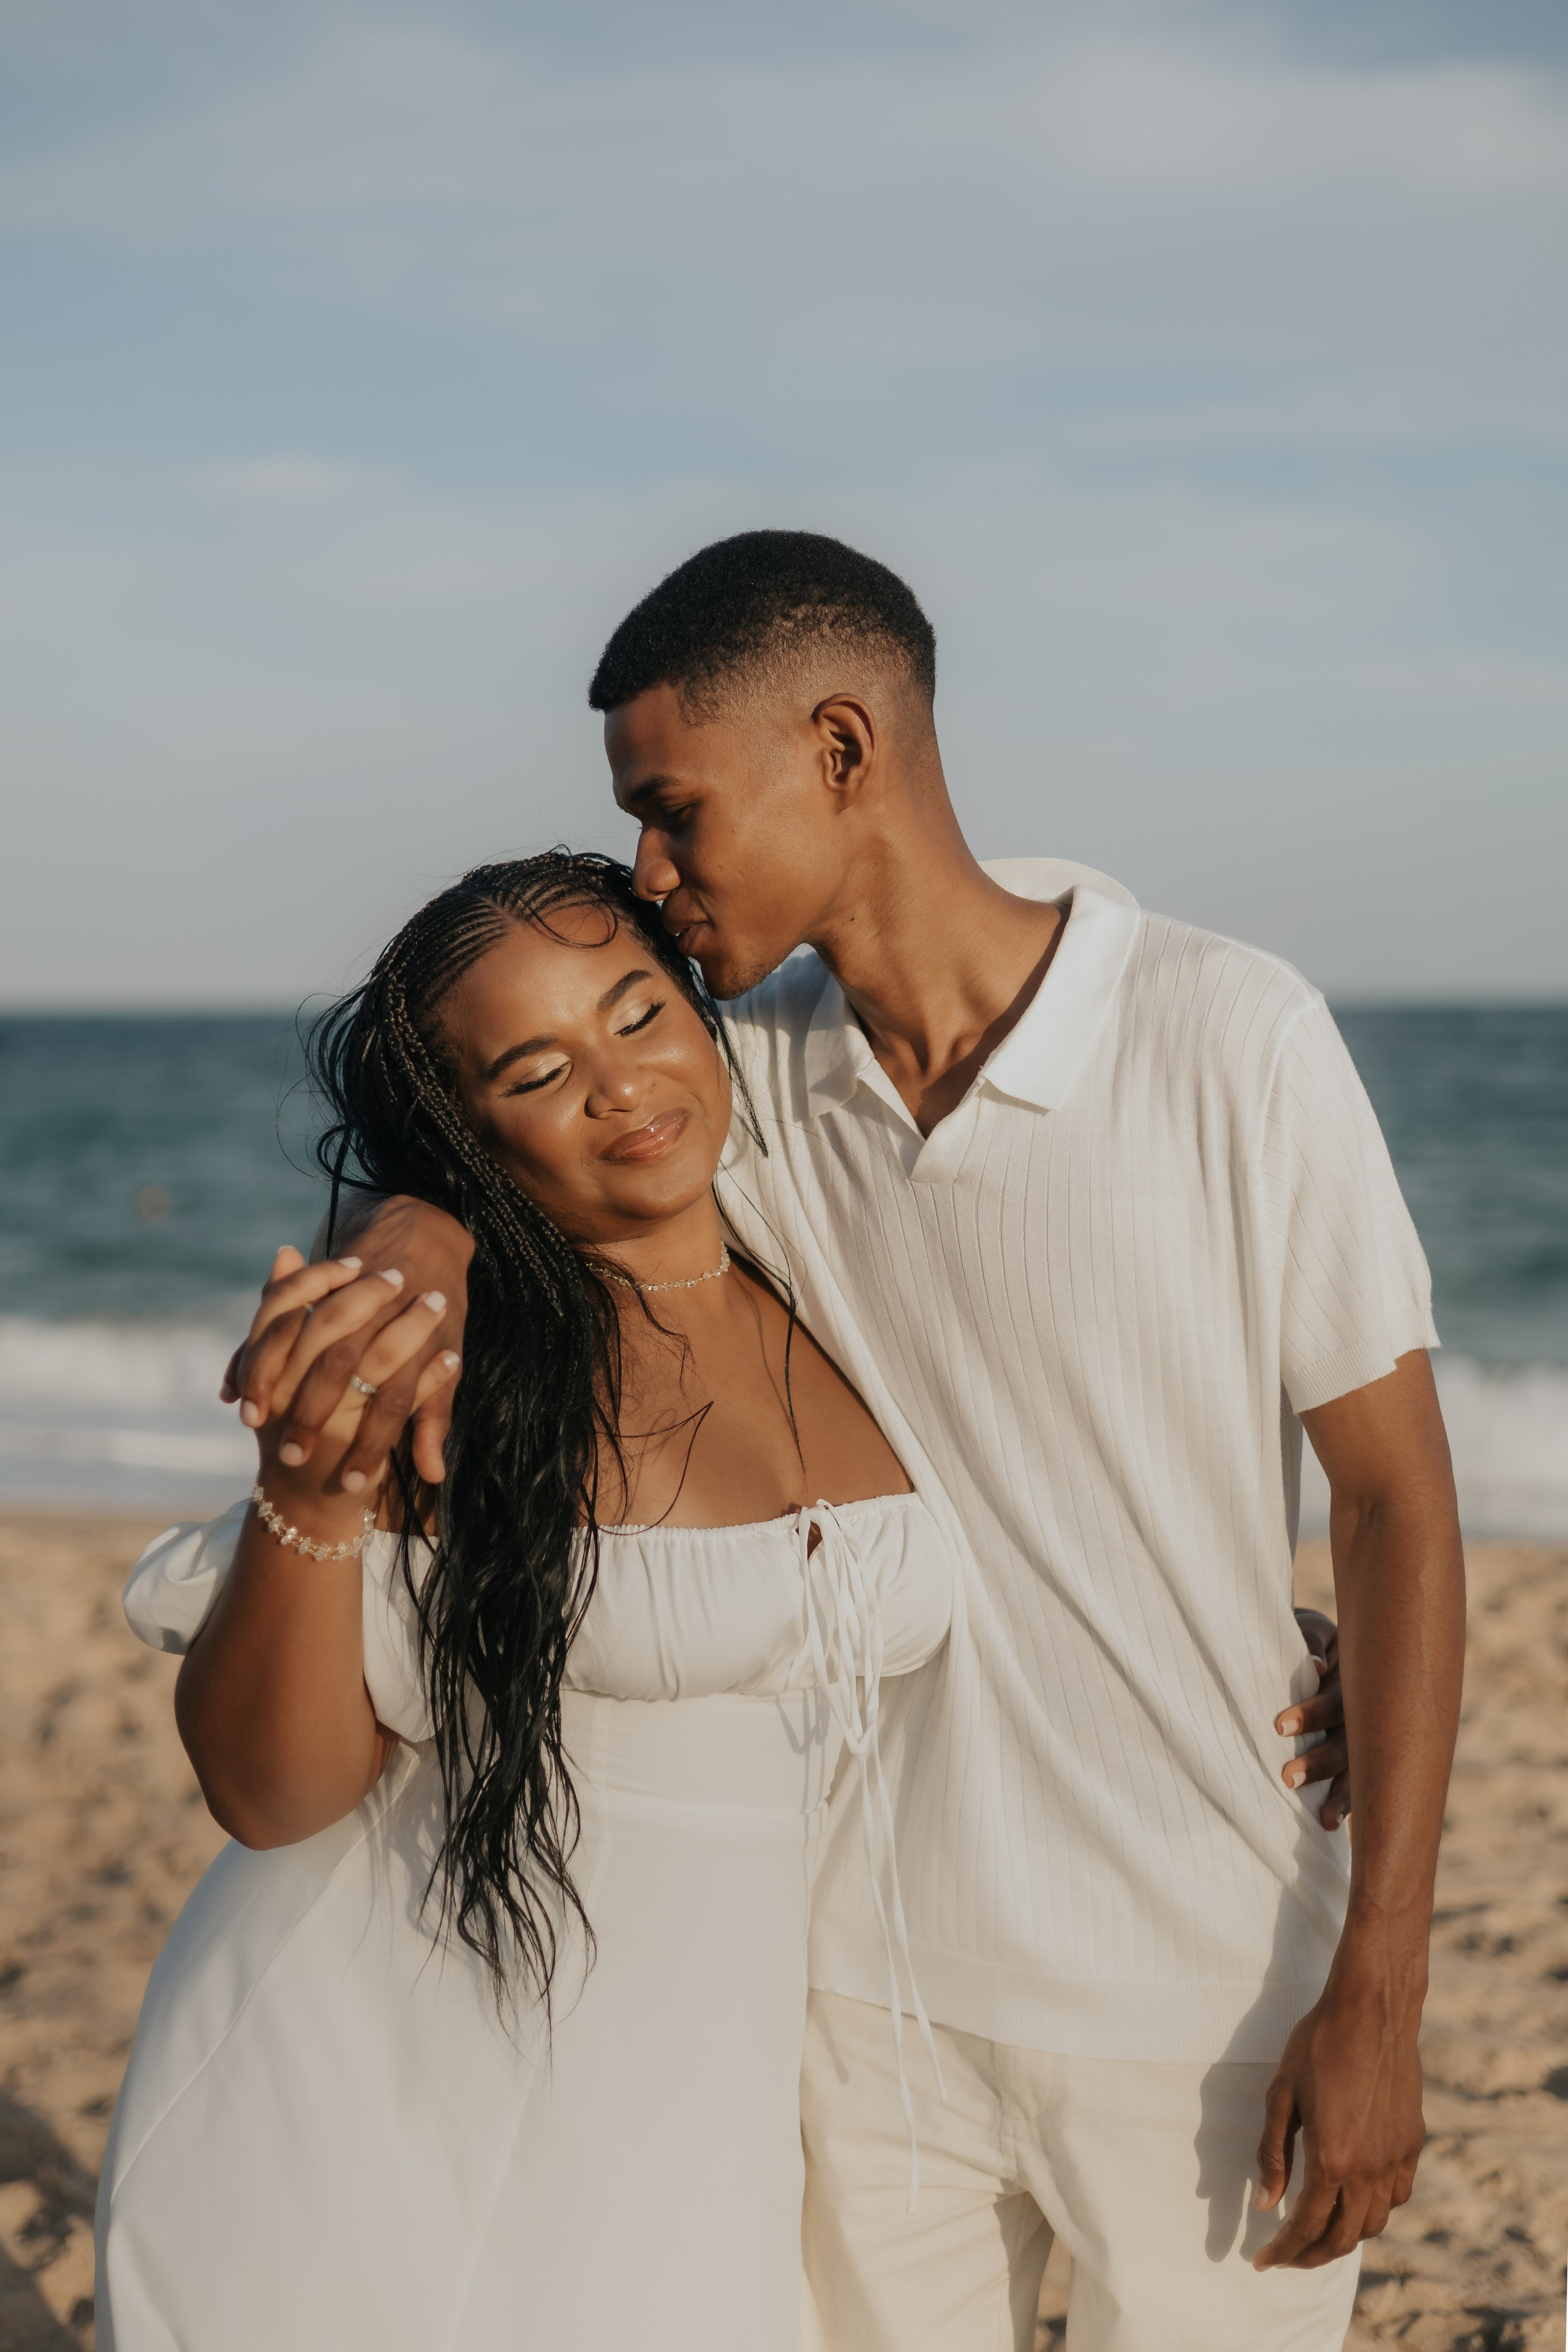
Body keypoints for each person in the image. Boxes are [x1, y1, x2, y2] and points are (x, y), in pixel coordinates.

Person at [260, 532, 1466, 2350]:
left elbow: (1395, 1507)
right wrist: (417, 1241)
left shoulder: (1234, 1036)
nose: (652, 877)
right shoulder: (759, 1087)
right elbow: (515, 1149)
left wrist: (1381, 1979)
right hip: (861, 2007)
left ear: (840, 747)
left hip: (1204, 1996)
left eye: (671, 812)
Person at [94, 853, 959, 2351]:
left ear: (701, 1008)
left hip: (702, 2118)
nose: (620, 1085)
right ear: (470, 1138)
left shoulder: (843, 1260)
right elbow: (267, 1790)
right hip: (376, 2096)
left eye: (637, 1012)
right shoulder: (459, 1369)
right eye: (536, 1070)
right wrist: (308, 1493)